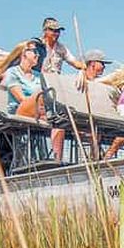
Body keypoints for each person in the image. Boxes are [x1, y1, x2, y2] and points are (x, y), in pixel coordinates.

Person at [36, 17, 85, 160]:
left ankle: (57, 158)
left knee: (60, 119)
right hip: (38, 83)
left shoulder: (61, 48)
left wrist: (82, 69)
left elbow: (75, 62)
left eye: (58, 31)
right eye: (53, 30)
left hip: (55, 86)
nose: (56, 34)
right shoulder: (37, 45)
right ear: (45, 31)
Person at [1, 41, 47, 120]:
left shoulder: (39, 76)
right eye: (35, 51)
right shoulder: (12, 72)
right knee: (40, 94)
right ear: (24, 53)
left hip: (38, 111)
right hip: (18, 112)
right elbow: (22, 99)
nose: (38, 55)